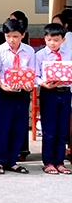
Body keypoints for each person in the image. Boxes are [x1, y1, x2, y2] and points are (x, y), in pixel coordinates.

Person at [0, 17, 35, 174]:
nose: (11, 40)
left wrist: (29, 86)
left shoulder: (29, 51)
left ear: (23, 35)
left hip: (22, 94)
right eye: (8, 36)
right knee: (2, 128)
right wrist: (2, 86)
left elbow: (31, 72)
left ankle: (12, 160)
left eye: (15, 36)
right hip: (3, 94)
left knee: (19, 128)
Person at [36, 23, 72, 174]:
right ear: (45, 38)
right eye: (49, 39)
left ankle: (60, 161)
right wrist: (43, 83)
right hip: (49, 93)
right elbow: (35, 76)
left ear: (63, 40)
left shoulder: (69, 54)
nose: (52, 43)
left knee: (62, 128)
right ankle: (48, 161)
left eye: (56, 40)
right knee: (49, 129)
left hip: (65, 92)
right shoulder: (40, 55)